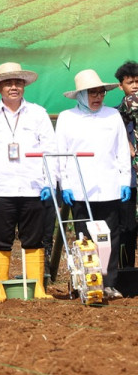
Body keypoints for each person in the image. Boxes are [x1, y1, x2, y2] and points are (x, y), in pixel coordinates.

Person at [0, 62, 56, 301]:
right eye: (8, 83)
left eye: (18, 83)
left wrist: (49, 182)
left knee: (35, 238)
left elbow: (50, 149)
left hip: (32, 187)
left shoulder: (38, 113)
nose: (14, 87)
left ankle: (38, 288)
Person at [54, 70, 130, 298]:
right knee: (83, 239)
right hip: (79, 188)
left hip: (109, 186)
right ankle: (84, 282)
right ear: (80, 95)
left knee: (109, 237)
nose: (97, 97)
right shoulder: (67, 118)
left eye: (100, 93)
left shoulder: (112, 116)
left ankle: (108, 283)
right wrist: (64, 184)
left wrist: (124, 179)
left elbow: (122, 151)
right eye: (91, 93)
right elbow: (61, 154)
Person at [114, 60, 138, 268]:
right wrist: (127, 143)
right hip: (128, 181)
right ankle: (127, 272)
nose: (135, 86)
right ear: (121, 86)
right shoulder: (115, 115)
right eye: (130, 82)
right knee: (127, 229)